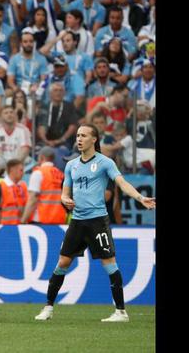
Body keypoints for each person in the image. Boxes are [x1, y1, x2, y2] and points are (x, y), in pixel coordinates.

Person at [34, 124, 155, 322]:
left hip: (97, 221)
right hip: (77, 221)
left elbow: (122, 183)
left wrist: (140, 198)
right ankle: (48, 308)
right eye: (78, 136)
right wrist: (65, 199)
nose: (79, 139)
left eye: (84, 135)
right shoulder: (71, 165)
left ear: (94, 139)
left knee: (109, 264)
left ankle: (121, 311)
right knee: (62, 262)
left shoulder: (105, 162)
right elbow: (65, 192)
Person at [20, 146, 67, 224]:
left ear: (41, 157)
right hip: (59, 219)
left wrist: (23, 220)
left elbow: (32, 199)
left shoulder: (38, 173)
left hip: (41, 219)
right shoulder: (61, 175)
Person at [36, 82, 79, 165]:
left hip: (64, 141)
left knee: (60, 155)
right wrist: (47, 141)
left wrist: (59, 140)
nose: (58, 93)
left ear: (64, 93)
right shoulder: (45, 106)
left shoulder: (69, 106)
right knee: (42, 152)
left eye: (60, 90)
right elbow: (41, 126)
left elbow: (72, 127)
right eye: (55, 90)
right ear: (50, 93)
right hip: (46, 141)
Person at [7, 31, 48, 96]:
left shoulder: (42, 59)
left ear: (34, 43)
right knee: (8, 92)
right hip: (19, 89)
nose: (28, 44)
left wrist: (38, 87)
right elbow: (10, 81)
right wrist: (17, 90)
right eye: (25, 42)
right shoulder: (14, 59)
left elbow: (44, 79)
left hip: (35, 89)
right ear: (21, 43)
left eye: (31, 41)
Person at [0, 158, 28, 224]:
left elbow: (26, 206)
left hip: (21, 227)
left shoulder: (23, 186)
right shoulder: (1, 186)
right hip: (6, 226)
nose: (23, 173)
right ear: (12, 170)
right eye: (21, 170)